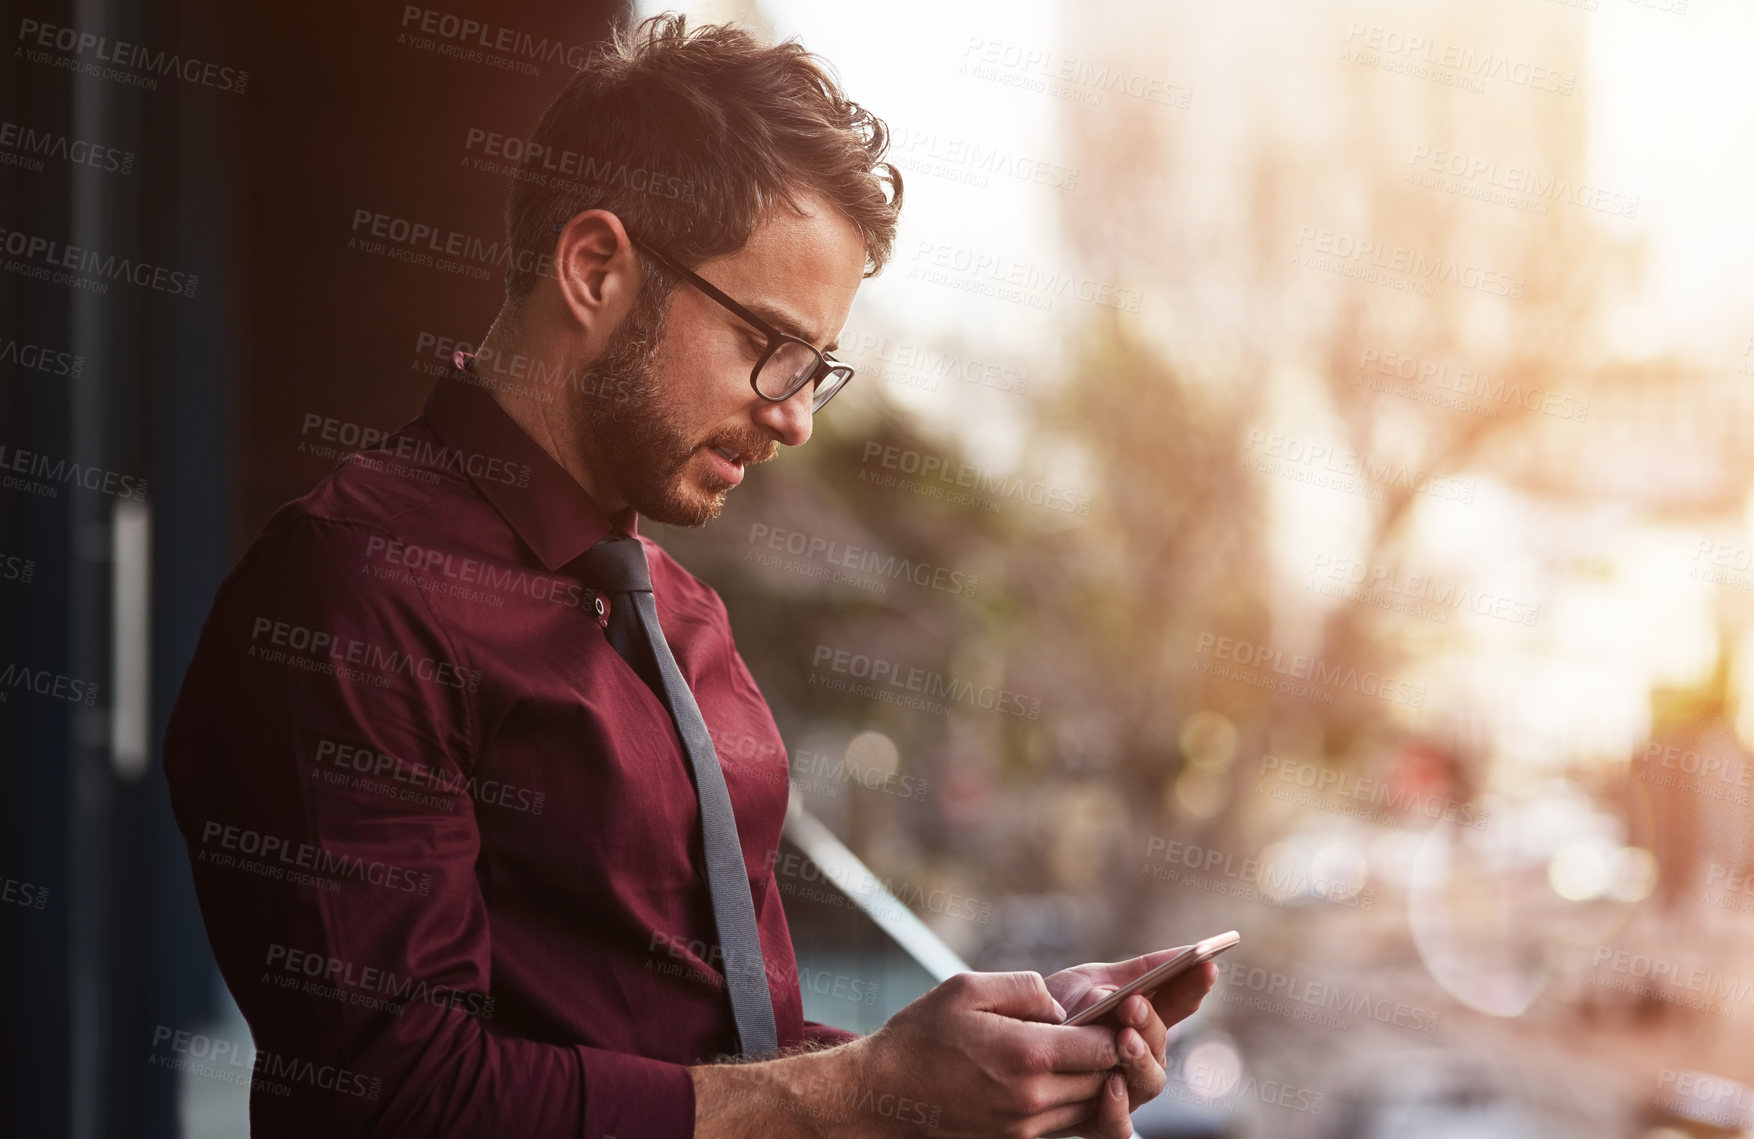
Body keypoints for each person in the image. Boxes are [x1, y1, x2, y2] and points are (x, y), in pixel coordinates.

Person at [163, 14, 1214, 1138]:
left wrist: (968, 1080)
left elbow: (715, 1066)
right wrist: (862, 1092)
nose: (798, 417)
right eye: (770, 344)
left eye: (819, 369)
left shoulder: (684, 616)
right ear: (596, 267)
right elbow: (403, 1100)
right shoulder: (350, 591)